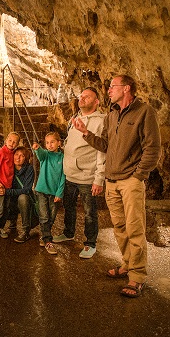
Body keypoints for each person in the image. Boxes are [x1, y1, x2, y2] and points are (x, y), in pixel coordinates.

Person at [73, 75, 161, 298]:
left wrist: (139, 175)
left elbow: (152, 148)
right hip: (112, 181)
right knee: (120, 228)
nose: (109, 90)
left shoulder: (144, 112)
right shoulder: (112, 115)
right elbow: (105, 145)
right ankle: (127, 264)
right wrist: (85, 133)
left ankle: (137, 276)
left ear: (127, 88)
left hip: (130, 180)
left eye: (113, 86)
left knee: (134, 229)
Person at [55, 87, 106, 260]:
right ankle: (68, 232)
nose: (82, 98)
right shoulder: (75, 119)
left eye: (87, 97)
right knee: (69, 207)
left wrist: (99, 178)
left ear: (96, 101)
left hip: (87, 176)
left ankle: (90, 243)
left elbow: (102, 150)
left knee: (90, 212)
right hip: (70, 174)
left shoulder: (101, 121)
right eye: (81, 96)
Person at [32, 132, 66, 255]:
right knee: (44, 216)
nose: (49, 145)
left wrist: (59, 193)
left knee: (51, 217)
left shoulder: (62, 158)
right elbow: (40, 154)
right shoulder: (45, 154)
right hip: (41, 190)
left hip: (54, 192)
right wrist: (38, 148)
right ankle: (48, 241)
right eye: (47, 143)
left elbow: (63, 176)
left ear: (59, 143)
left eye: (52, 142)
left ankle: (44, 235)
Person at [3, 147, 36, 243]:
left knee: (22, 198)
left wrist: (7, 191)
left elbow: (26, 190)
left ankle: (26, 231)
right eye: (16, 154)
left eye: (22, 156)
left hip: (24, 201)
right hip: (12, 200)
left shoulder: (29, 169)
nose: (18, 158)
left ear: (26, 158)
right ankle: (12, 222)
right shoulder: (8, 167)